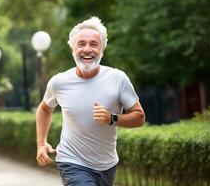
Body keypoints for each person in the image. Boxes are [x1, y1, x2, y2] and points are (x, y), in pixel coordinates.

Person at [36, 16, 145, 186]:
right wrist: (41, 144)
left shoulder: (118, 79)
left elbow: (139, 117)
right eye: (81, 44)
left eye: (94, 44)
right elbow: (44, 109)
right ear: (73, 49)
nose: (87, 49)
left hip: (107, 164)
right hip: (71, 161)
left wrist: (112, 118)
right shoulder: (59, 82)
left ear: (102, 50)